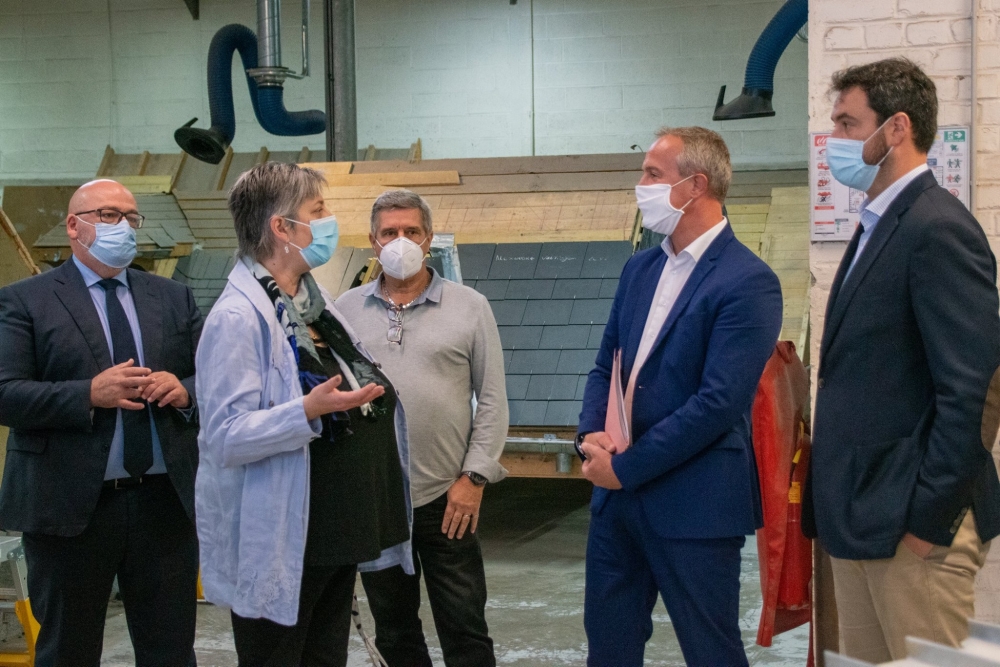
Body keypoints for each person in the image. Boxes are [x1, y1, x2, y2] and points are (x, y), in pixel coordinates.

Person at [805, 57, 1000, 662]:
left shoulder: (937, 228)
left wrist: (928, 523)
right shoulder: (877, 225)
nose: (833, 140)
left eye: (847, 124)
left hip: (910, 529)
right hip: (862, 518)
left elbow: (971, 393)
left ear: (896, 128)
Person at [576, 127, 783, 666]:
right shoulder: (639, 268)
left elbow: (718, 403)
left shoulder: (748, 281)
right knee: (609, 650)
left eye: (652, 174)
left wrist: (627, 468)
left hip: (695, 503)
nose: (640, 185)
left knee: (711, 651)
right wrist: (591, 435)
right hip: (617, 504)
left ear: (695, 185)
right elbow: (606, 367)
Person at [194, 162, 412, 667]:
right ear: (281, 227)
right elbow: (225, 436)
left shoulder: (314, 304)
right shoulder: (236, 318)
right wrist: (306, 412)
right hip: (285, 537)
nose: (329, 220)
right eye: (318, 211)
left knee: (324, 657)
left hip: (333, 530)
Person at [0, 180, 202, 666]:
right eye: (109, 216)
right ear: (74, 226)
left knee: (171, 651)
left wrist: (186, 390)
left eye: (131, 218)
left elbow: (217, 373)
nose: (124, 227)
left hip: (164, 505)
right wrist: (88, 393)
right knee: (68, 650)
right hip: (69, 509)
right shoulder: (25, 300)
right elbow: (6, 393)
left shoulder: (173, 297)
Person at [336, 189, 508, 667]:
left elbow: (493, 399)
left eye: (411, 231)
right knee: (394, 631)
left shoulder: (470, 307)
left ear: (429, 238)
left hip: (448, 498)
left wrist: (473, 479)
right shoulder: (344, 310)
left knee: (465, 627)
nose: (401, 241)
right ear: (373, 241)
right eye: (390, 232)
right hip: (378, 500)